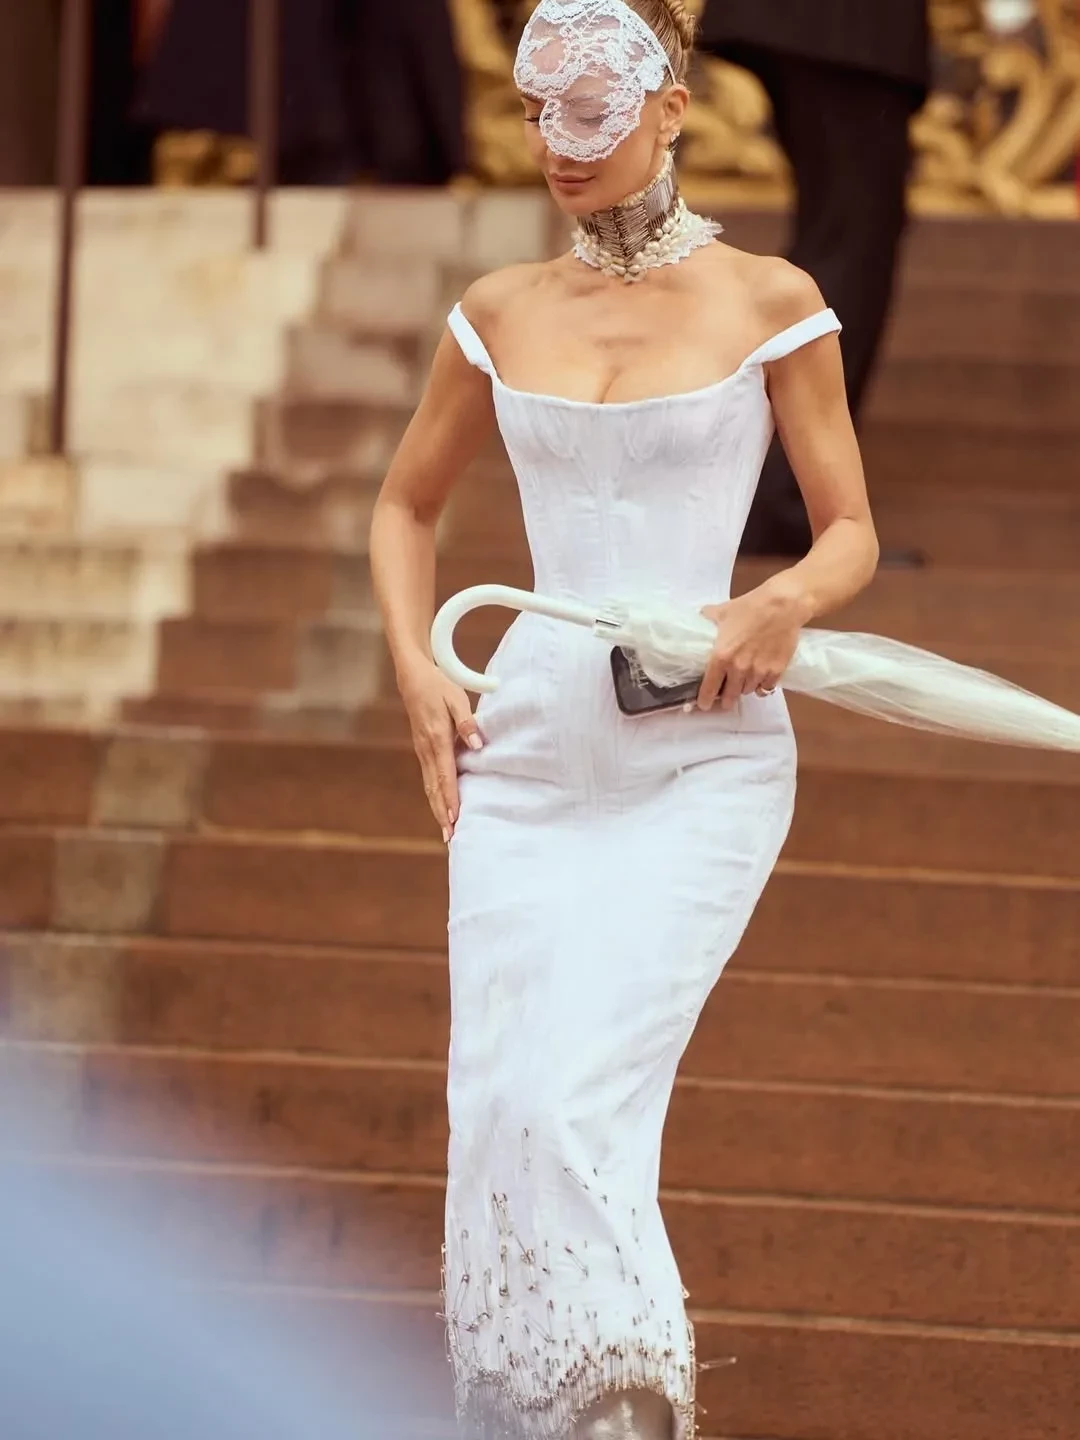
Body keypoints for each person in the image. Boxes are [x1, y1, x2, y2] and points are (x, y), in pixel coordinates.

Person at [370, 1, 879, 1436]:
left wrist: (781, 601)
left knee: (581, 1090)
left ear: (672, 107)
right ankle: (526, 1404)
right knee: (499, 1099)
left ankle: (624, 1394)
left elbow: (848, 528)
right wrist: (416, 666)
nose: (558, 143)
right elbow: (404, 506)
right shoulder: (499, 310)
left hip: (701, 748)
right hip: (523, 746)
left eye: (591, 110)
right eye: (538, 111)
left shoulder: (770, 300)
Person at [697, 0, 931, 557]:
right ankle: (785, 503)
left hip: (821, 28)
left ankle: (775, 498)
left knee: (846, 235)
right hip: (842, 28)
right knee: (852, 241)